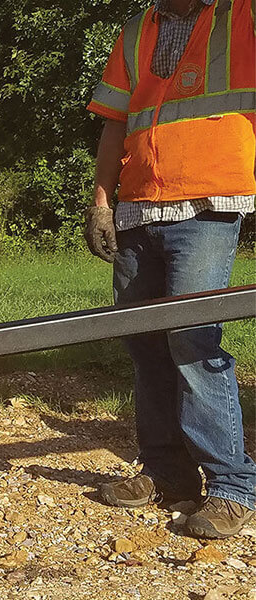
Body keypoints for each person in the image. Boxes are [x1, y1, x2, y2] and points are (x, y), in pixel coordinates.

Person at [85, 0, 255, 539]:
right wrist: (101, 203)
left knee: (191, 341)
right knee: (144, 342)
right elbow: (114, 124)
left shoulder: (241, 16)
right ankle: (166, 472)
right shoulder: (137, 30)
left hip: (206, 205)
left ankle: (233, 486)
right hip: (137, 208)